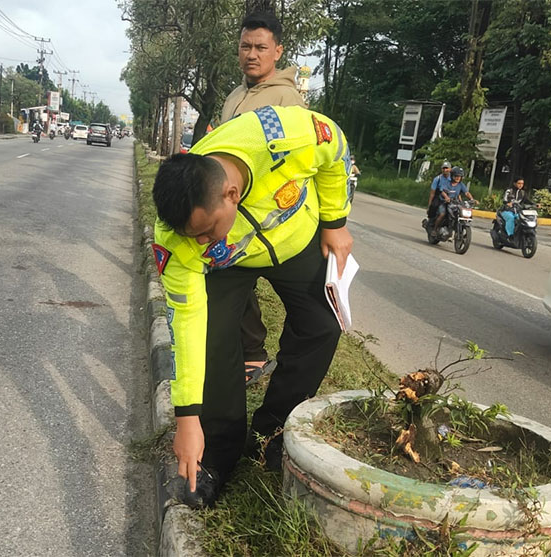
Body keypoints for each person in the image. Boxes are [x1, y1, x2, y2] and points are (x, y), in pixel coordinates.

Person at [151, 105, 353, 507]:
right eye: (193, 236)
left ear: (231, 194)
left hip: (294, 240)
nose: (200, 243)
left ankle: (270, 436)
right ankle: (216, 456)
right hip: (231, 263)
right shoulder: (181, 240)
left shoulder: (284, 135)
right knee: (211, 338)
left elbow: (336, 147)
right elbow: (185, 326)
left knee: (323, 325)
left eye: (206, 231)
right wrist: (187, 421)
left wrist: (335, 220)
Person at [221, 11, 307, 386]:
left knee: (302, 299)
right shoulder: (235, 96)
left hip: (275, 217)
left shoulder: (288, 98)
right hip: (235, 211)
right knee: (231, 277)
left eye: (260, 47)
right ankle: (252, 355)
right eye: (245, 46)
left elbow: (301, 156)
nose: (251, 54)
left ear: (277, 51)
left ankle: (268, 362)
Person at [433, 166, 474, 230]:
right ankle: (435, 229)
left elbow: (466, 193)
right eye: (456, 176)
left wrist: (472, 199)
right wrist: (446, 197)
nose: (458, 178)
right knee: (442, 214)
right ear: (452, 176)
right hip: (444, 202)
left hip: (455, 203)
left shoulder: (461, 185)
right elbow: (442, 191)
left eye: (460, 176)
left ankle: (453, 228)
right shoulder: (447, 183)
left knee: (459, 214)